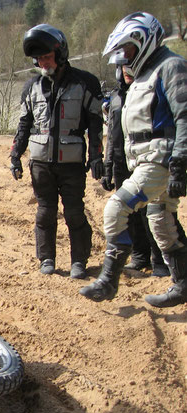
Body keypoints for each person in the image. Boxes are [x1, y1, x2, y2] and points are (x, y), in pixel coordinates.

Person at [80, 12, 187, 307]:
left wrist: (179, 164)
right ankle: (184, 285)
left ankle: (108, 281)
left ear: (144, 41)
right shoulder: (145, 73)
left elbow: (184, 115)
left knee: (116, 209)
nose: (123, 58)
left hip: (160, 160)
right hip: (147, 160)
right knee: (161, 223)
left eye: (127, 50)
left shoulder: (171, 66)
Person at [10, 24, 105, 279]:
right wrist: (15, 156)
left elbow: (96, 124)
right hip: (40, 163)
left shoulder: (86, 83)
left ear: (61, 54)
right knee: (45, 212)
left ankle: (79, 261)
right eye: (39, 58)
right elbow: (23, 125)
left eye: (47, 57)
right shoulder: (31, 87)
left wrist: (97, 156)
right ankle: (47, 259)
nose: (43, 63)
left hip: (72, 163)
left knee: (74, 212)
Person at [99, 57, 174, 278]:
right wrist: (108, 163)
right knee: (130, 216)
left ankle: (159, 261)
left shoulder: (148, 94)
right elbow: (112, 135)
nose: (126, 71)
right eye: (123, 68)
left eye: (130, 66)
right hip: (123, 160)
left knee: (151, 212)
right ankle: (140, 256)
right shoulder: (116, 98)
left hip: (147, 159)